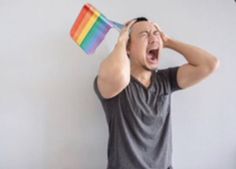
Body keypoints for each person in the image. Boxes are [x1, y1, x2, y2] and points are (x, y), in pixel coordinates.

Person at [93, 17, 220, 169]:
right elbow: (119, 75)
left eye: (155, 33)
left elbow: (209, 64)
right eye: (145, 34)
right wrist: (121, 40)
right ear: (128, 46)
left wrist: (167, 41)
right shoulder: (116, 83)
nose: (153, 38)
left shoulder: (166, 80)